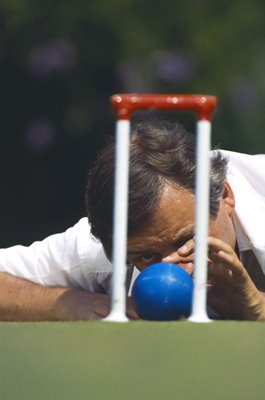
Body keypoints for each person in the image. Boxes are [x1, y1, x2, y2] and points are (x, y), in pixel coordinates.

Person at [1, 119, 265, 320]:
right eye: (147, 257)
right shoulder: (104, 248)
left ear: (225, 197)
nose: (177, 273)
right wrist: (70, 303)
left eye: (188, 240)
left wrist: (257, 304)